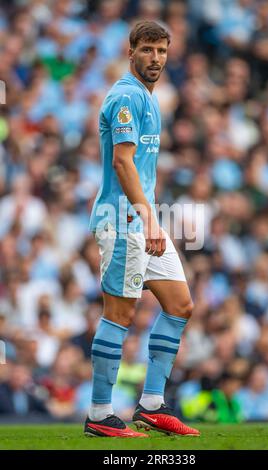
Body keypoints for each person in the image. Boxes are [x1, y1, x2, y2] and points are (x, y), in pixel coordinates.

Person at [86, 20, 199, 438]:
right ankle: (99, 414)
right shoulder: (126, 98)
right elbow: (122, 162)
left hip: (142, 218)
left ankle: (151, 405)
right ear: (130, 50)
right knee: (120, 313)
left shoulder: (150, 98)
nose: (155, 58)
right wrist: (150, 218)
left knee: (180, 305)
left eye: (162, 51)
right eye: (148, 49)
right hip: (123, 221)